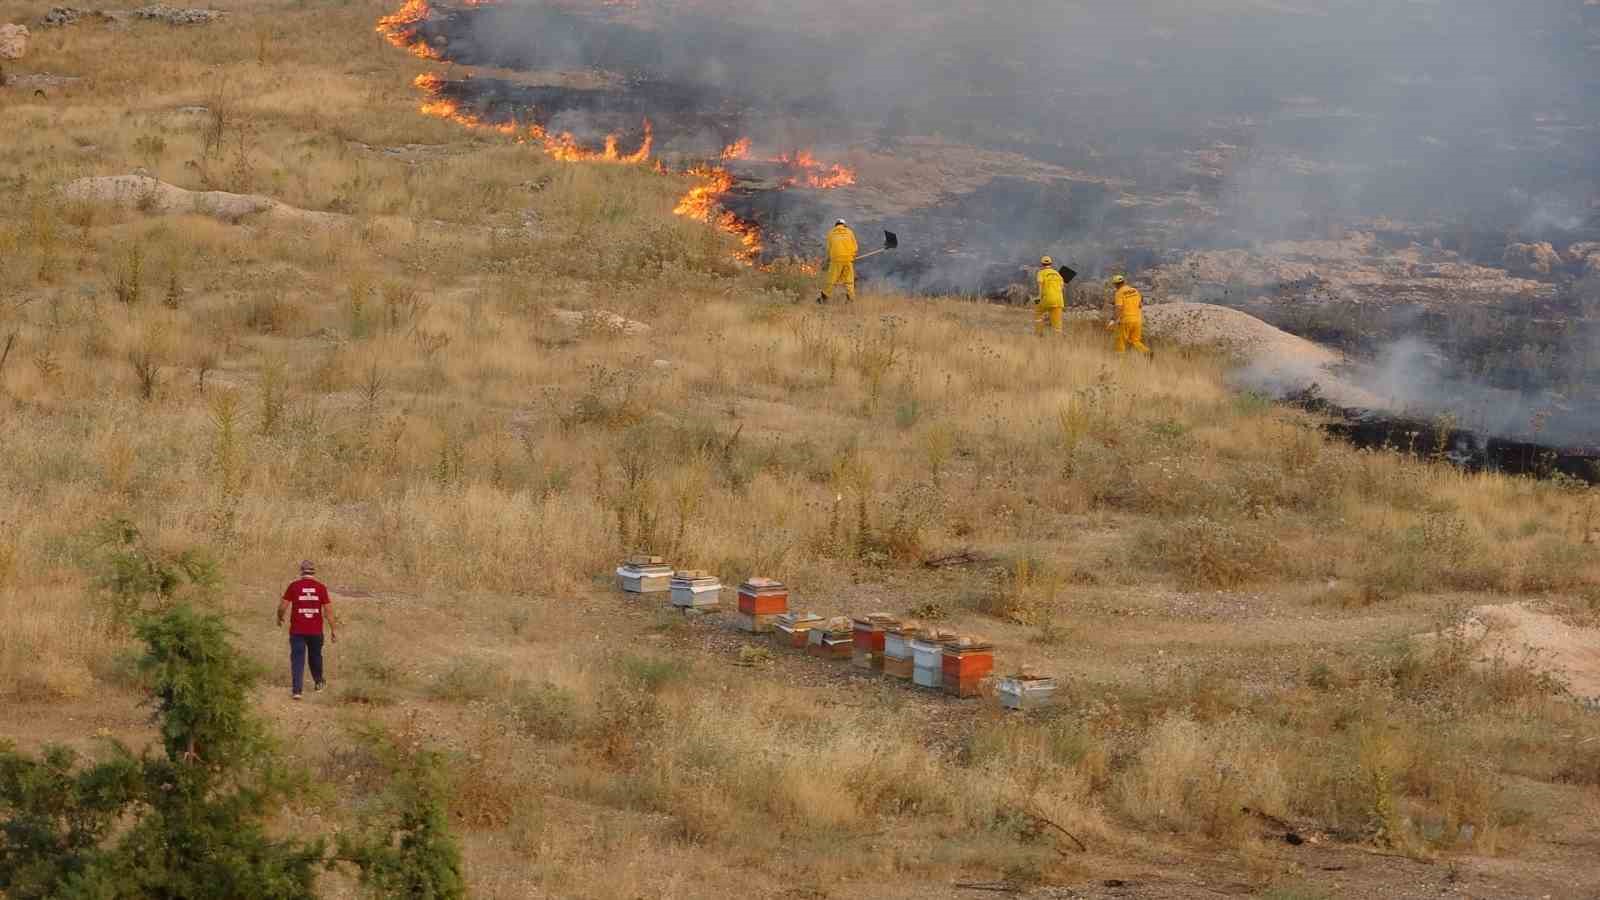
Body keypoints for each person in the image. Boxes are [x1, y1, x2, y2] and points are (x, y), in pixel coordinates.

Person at [276, 559, 337, 699]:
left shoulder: (294, 586)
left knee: (297, 659)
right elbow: (328, 611)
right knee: (315, 657)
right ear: (314, 572)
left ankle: (297, 691)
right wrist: (333, 629)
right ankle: (319, 683)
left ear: (301, 571)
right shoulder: (321, 588)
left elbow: (282, 607)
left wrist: (279, 617)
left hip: (297, 630)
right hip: (315, 631)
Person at [1107, 274, 1151, 355]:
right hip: (1137, 320)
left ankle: (1120, 359)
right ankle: (1147, 352)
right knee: (1135, 340)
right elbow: (1140, 304)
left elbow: (1118, 309)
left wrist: (1112, 320)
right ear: (1124, 282)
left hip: (1126, 320)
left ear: (1116, 284)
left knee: (1120, 340)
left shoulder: (1119, 293)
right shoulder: (1135, 290)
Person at [818, 218, 858, 304]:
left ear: (836, 225)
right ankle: (851, 299)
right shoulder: (850, 232)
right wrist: (852, 256)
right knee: (849, 280)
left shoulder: (831, 233)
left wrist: (830, 258)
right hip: (848, 260)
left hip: (836, 260)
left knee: (831, 279)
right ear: (844, 225)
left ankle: (823, 298)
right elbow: (855, 247)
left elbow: (828, 248)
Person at [1035, 256, 1065, 336]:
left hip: (1047, 298)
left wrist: (1038, 297)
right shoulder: (1057, 273)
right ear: (1051, 264)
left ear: (1042, 264)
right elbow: (1062, 287)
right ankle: (1057, 337)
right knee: (1057, 322)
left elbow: (1040, 286)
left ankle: (1039, 334)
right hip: (1059, 300)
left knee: (1039, 312)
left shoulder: (1041, 272)